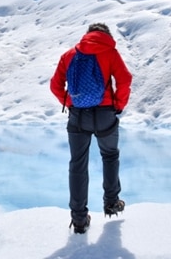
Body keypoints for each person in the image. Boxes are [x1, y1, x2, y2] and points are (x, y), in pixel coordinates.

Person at [50, 23, 132, 234]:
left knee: (78, 164)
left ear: (87, 34)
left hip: (78, 116)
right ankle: (112, 203)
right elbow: (124, 79)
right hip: (105, 113)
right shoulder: (110, 52)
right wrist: (118, 105)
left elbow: (55, 85)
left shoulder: (69, 55)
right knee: (110, 155)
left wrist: (69, 104)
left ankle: (79, 220)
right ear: (107, 35)